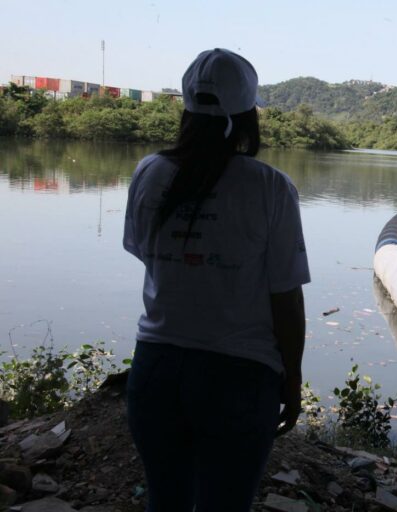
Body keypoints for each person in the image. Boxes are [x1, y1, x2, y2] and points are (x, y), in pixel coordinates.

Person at [122, 48, 310, 512]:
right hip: (239, 379)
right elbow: (286, 300)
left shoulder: (149, 173)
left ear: (186, 108)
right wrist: (292, 378)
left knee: (165, 501)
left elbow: (145, 255)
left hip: (156, 369)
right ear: (248, 115)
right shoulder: (271, 187)